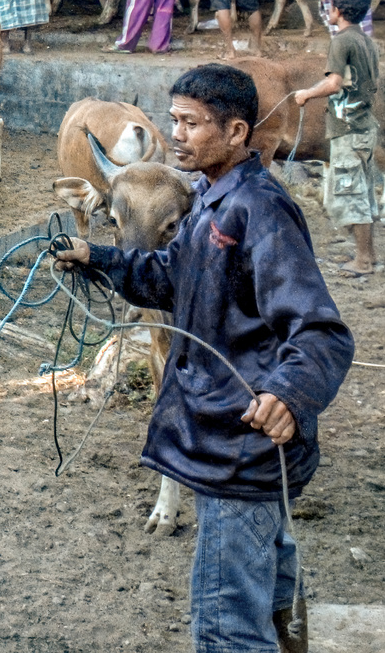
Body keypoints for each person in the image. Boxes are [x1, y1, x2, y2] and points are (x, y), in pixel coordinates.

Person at [54, 64, 353, 652]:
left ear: (238, 132)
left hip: (238, 446)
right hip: (233, 441)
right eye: (176, 122)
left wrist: (289, 396)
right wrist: (101, 258)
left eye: (192, 124)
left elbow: (321, 331)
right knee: (270, 593)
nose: (178, 135)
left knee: (227, 627)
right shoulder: (213, 201)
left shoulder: (259, 210)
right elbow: (172, 276)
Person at [294, 0, 379, 276]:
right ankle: (367, 254)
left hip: (348, 127)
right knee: (363, 191)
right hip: (365, 125)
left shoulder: (341, 41)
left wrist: (306, 93)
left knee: (348, 193)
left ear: (338, 10)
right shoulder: (368, 41)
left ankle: (363, 260)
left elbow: (333, 83)